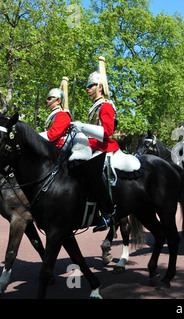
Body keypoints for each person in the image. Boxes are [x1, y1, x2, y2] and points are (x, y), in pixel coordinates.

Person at [71, 58, 118, 232]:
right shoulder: (95, 106)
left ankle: (107, 212)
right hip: (93, 147)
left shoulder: (105, 105)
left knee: (92, 171)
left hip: (104, 147)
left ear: (99, 87)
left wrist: (82, 127)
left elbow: (107, 132)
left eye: (90, 85)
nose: (87, 88)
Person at [39, 84, 71, 149]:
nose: (47, 101)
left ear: (58, 101)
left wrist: (35, 136)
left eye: (49, 99)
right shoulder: (54, 114)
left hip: (59, 148)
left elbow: (53, 135)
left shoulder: (63, 115)